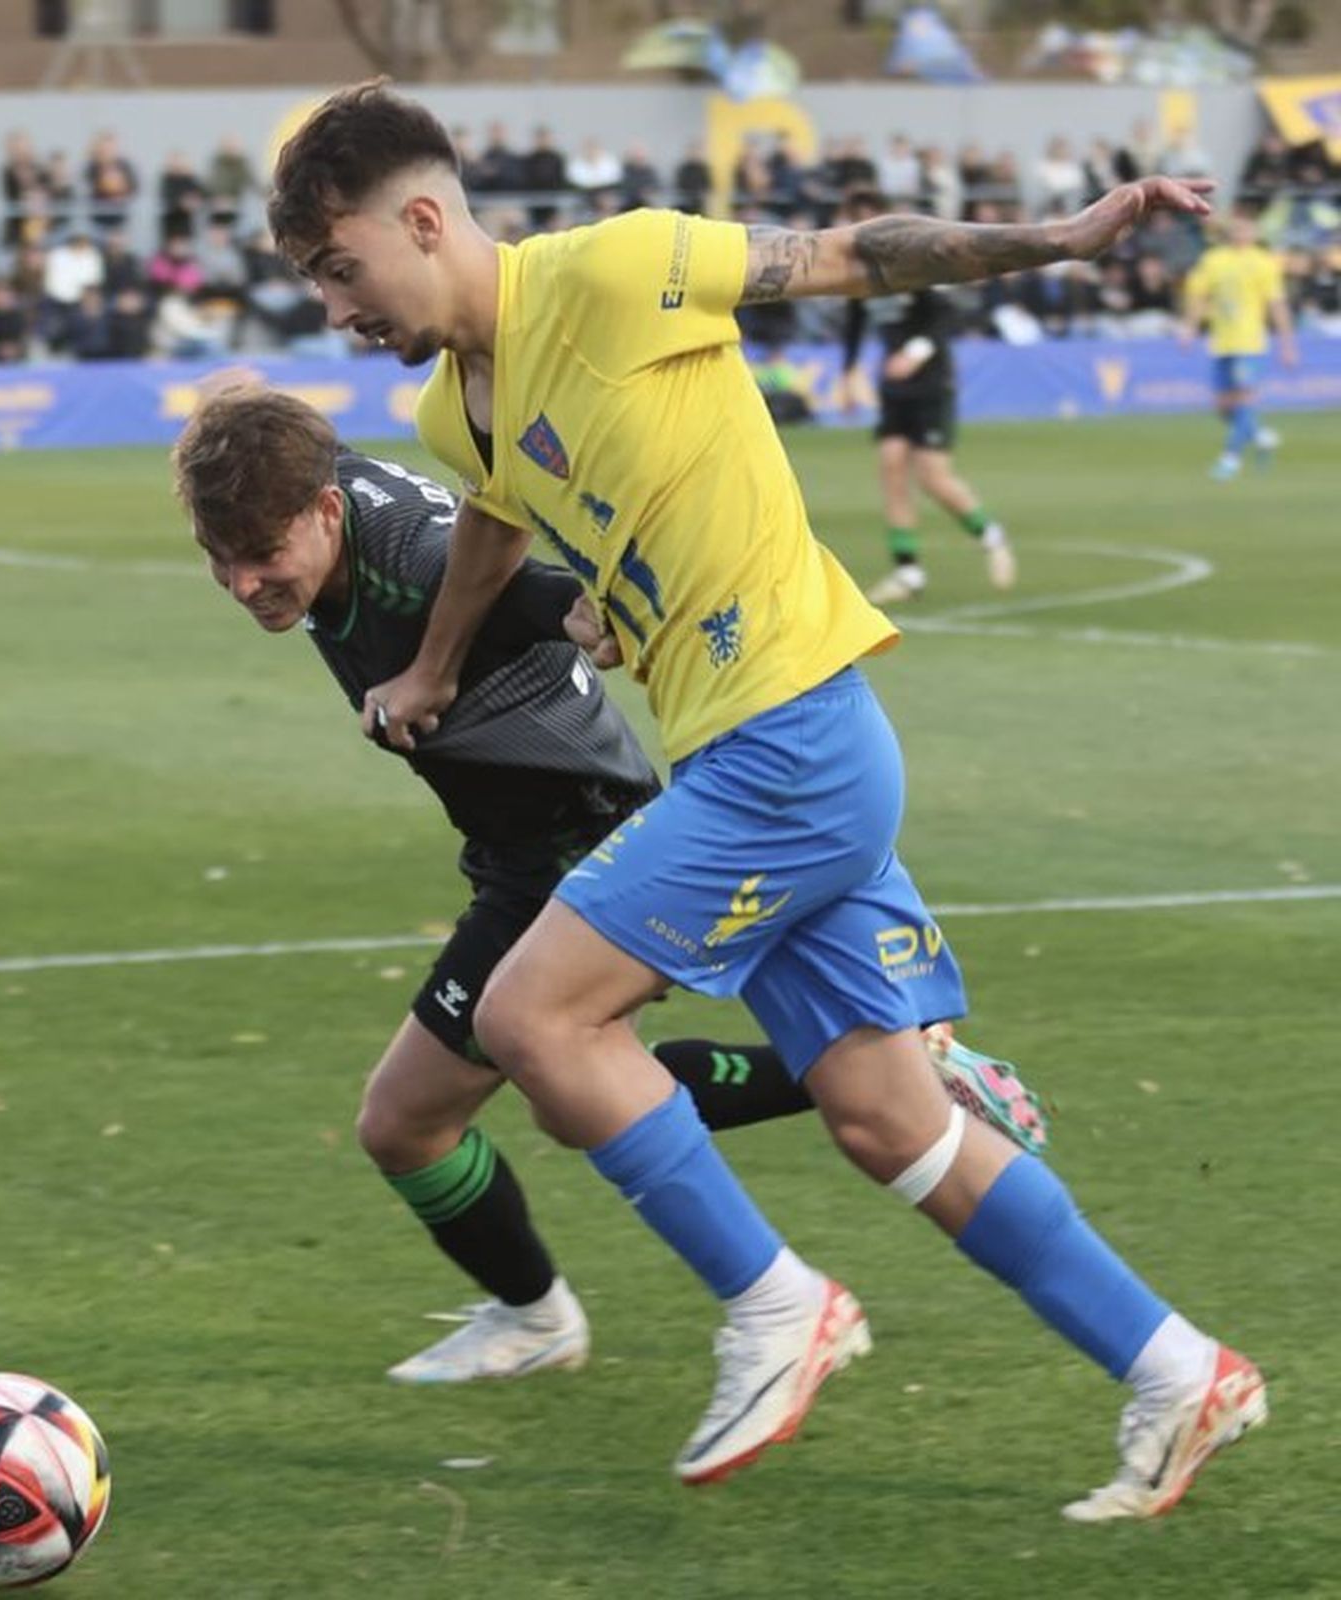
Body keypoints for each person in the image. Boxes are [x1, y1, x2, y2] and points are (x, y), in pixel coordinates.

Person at [267, 82, 1267, 1518]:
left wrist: (1062, 235)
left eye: (342, 269)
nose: (337, 310)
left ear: (423, 220)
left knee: (534, 1017)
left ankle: (775, 1307)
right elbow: (495, 516)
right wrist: (435, 670)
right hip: (755, 749)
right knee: (881, 1116)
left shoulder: (619, 269)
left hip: (789, 736)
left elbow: (858, 253)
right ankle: (1179, 1373)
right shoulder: (451, 405)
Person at [171, 383, 1048, 1385]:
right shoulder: (309, 489)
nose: (243, 584)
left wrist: (588, 611)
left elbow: (520, 587)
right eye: (220, 563)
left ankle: (570, 1313)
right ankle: (877, 1074)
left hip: (569, 838)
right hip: (520, 843)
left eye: (262, 558)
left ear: (324, 512)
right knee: (562, 1092)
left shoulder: (408, 554)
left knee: (409, 1120)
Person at [841, 196, 1016, 603]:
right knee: (891, 468)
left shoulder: (910, 266)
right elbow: (853, 327)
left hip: (931, 383)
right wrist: (848, 375)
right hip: (894, 387)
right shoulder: (856, 278)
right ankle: (908, 573)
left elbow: (943, 316)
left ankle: (992, 536)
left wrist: (914, 352)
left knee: (933, 478)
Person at [1179, 209, 1298, 481]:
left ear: (1255, 233)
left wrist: (1287, 344)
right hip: (1222, 343)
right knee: (1223, 407)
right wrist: (1189, 329)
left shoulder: (1264, 262)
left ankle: (1229, 459)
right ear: (1229, 231)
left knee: (1244, 400)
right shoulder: (1213, 260)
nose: (1242, 233)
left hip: (1250, 343)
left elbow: (1276, 305)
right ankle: (1260, 436)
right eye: (1237, 228)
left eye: (1247, 229)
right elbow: (1198, 296)